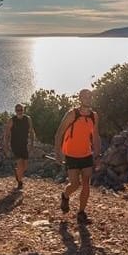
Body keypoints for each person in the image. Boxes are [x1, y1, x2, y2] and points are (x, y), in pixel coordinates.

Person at [53, 88, 101, 225]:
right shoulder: (72, 114)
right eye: (85, 96)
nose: (88, 98)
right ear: (80, 98)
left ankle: (81, 213)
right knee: (75, 184)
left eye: (90, 96)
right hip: (71, 154)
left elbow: (96, 136)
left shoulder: (94, 116)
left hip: (86, 154)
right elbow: (58, 134)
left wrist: (98, 155)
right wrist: (58, 153)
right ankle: (65, 195)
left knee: (86, 182)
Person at [5, 103, 37, 190]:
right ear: (15, 111)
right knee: (20, 164)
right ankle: (19, 182)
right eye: (18, 110)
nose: (19, 112)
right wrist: (6, 147)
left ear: (23, 110)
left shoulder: (28, 119)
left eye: (21, 110)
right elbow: (7, 134)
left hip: (24, 144)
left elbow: (31, 131)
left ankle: (17, 173)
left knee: (25, 166)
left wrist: (32, 144)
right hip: (15, 145)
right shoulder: (11, 120)